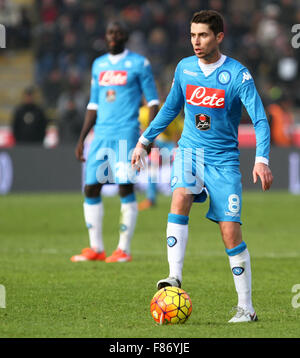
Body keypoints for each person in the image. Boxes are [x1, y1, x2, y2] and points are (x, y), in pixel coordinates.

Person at [132, 10, 273, 323]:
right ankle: (174, 277)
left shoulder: (238, 75)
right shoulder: (184, 68)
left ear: (219, 37)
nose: (196, 41)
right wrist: (144, 141)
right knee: (180, 195)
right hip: (190, 153)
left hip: (224, 161)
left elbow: (260, 119)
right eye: (193, 35)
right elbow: (170, 109)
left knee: (230, 233)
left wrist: (261, 159)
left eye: (203, 35)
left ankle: (246, 308)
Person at [71, 20, 159, 263]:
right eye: (110, 32)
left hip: (127, 134)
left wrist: (147, 138)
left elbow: (153, 102)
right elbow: (93, 104)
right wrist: (81, 138)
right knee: (91, 187)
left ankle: (123, 249)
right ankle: (96, 248)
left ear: (125, 36)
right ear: (106, 35)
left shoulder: (140, 64)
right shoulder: (98, 65)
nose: (113, 36)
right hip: (100, 135)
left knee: (124, 186)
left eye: (118, 33)